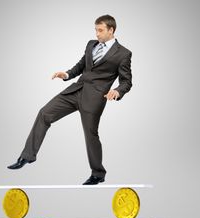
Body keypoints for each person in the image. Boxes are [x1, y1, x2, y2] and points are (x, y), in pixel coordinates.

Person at [7, 14, 132, 185]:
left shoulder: (123, 54)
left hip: (94, 99)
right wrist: (66, 74)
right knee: (44, 113)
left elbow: (126, 81)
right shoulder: (91, 45)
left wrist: (117, 91)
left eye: (100, 30)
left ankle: (98, 173)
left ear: (111, 30)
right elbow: (81, 65)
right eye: (96, 30)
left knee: (90, 134)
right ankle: (27, 156)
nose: (97, 34)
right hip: (75, 91)